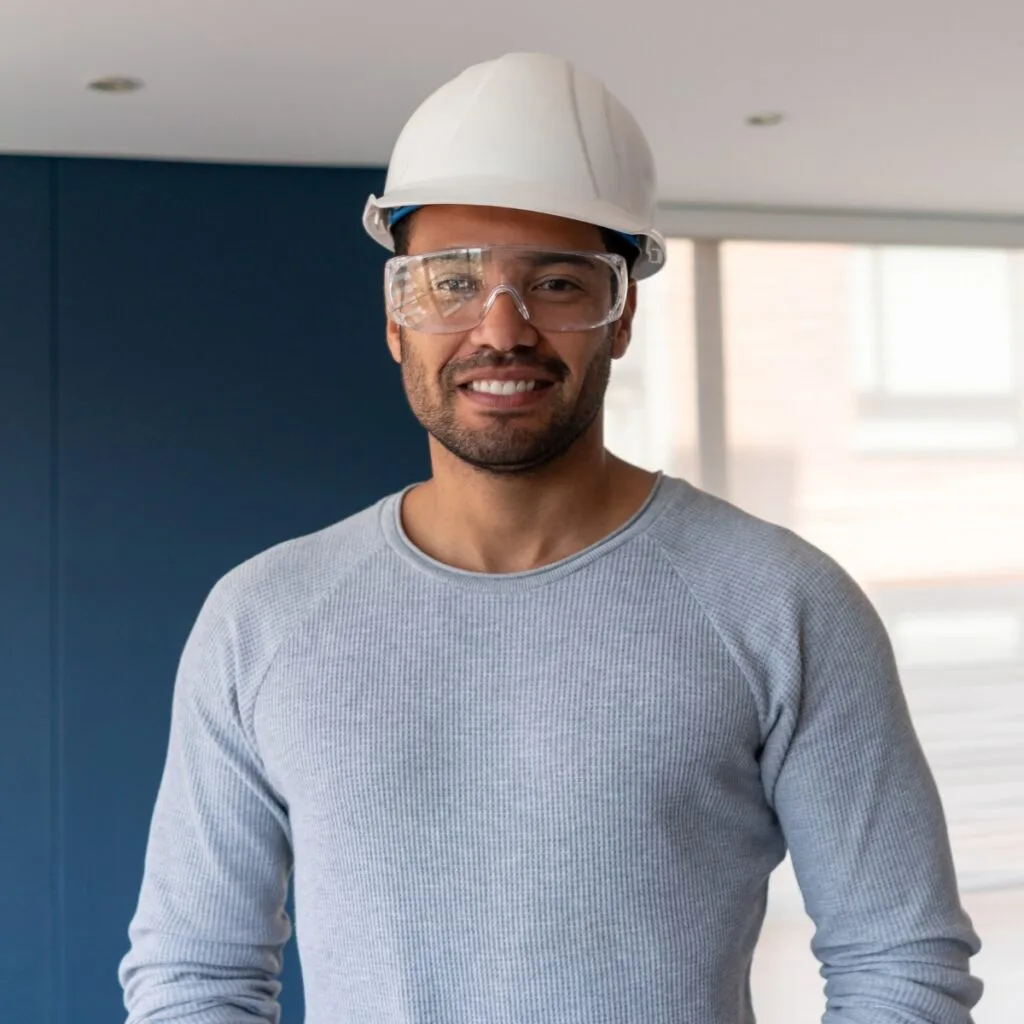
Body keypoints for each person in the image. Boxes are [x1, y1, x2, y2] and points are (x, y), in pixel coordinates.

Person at [119, 52, 982, 1024]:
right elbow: (196, 975)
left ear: (621, 317)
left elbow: (899, 963)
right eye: (450, 282)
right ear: (396, 317)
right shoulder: (262, 617)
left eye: (560, 283)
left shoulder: (781, 601)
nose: (502, 328)